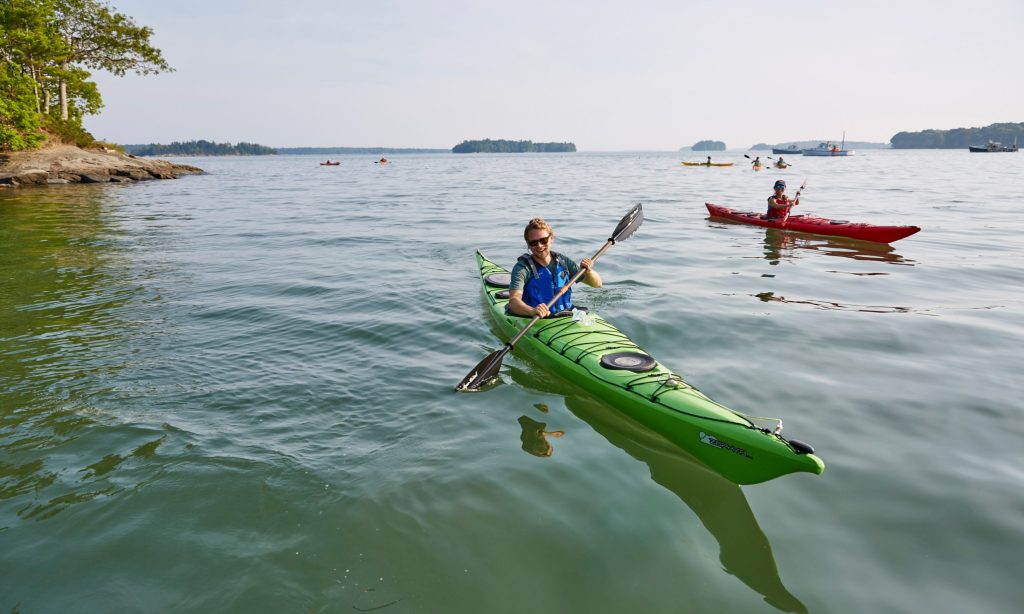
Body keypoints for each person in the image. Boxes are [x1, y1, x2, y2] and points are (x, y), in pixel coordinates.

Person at [508, 218, 602, 318]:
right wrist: (532, 311)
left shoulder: (563, 261)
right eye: (534, 243)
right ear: (528, 245)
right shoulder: (522, 268)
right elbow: (514, 301)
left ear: (551, 238)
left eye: (543, 240)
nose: (539, 246)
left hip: (566, 313)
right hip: (537, 317)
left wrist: (589, 271)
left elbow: (597, 284)